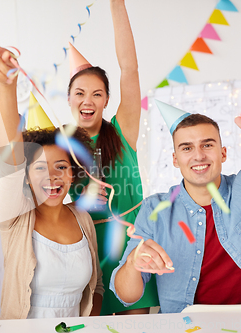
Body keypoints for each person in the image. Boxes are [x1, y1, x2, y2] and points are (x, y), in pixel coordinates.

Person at [110, 86, 241, 313]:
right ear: (175, 159)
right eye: (187, 148)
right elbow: (127, 296)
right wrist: (134, 262)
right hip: (185, 327)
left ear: (223, 153)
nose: (198, 155)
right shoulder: (155, 209)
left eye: (207, 145)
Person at [0, 40, 104, 319]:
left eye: (61, 166)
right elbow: (11, 155)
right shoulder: (15, 214)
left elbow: (97, 287)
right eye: (39, 168)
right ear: (25, 176)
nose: (51, 176)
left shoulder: (82, 219)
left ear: (72, 174)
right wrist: (8, 89)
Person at [67, 0, 158, 314]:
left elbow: (129, 68)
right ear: (69, 99)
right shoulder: (60, 146)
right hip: (86, 252)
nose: (87, 100)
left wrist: (116, 4)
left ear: (107, 99)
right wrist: (80, 202)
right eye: (79, 93)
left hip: (132, 246)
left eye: (96, 93)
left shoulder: (122, 131)